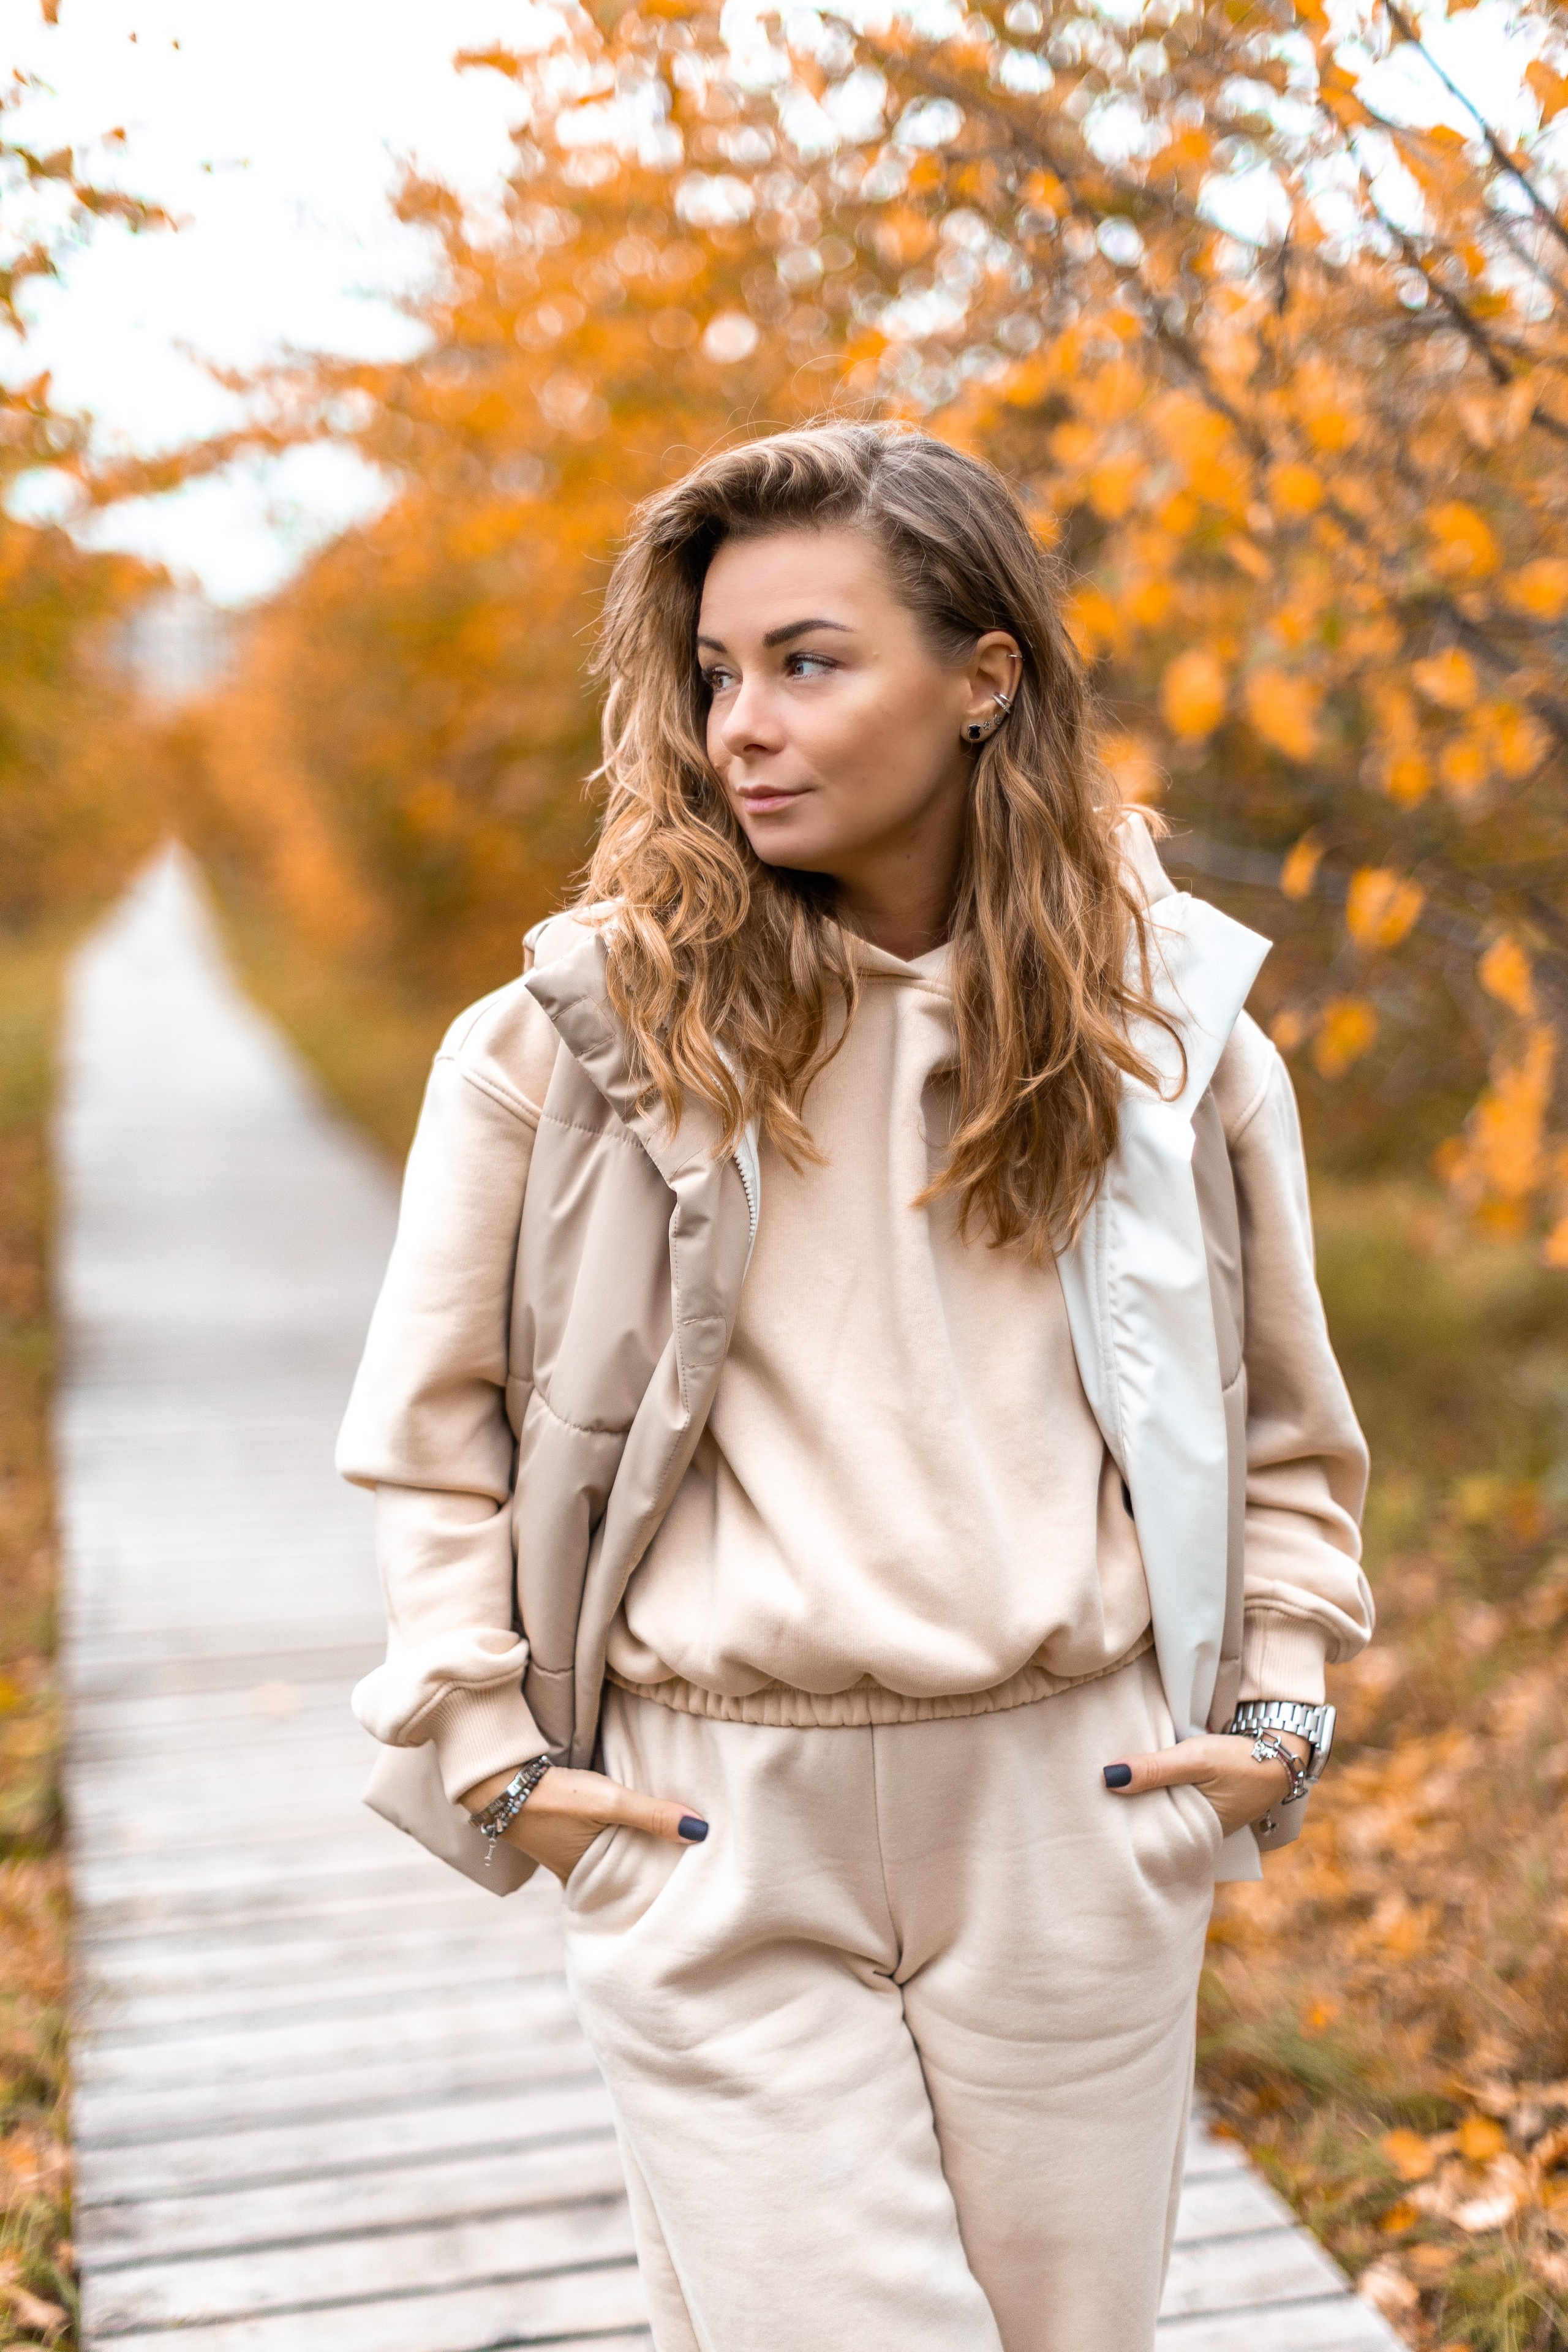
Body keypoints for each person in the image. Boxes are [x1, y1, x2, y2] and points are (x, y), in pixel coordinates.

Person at [337, 421, 1373, 2352]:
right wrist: (496, 1752)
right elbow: (428, 1432)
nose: (743, 723)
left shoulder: (1174, 1039)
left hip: (1077, 1808)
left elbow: (1288, 1422)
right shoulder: (573, 1035)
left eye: (809, 662)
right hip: (713, 1809)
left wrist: (1279, 1718)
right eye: (718, 674)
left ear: (987, 680)